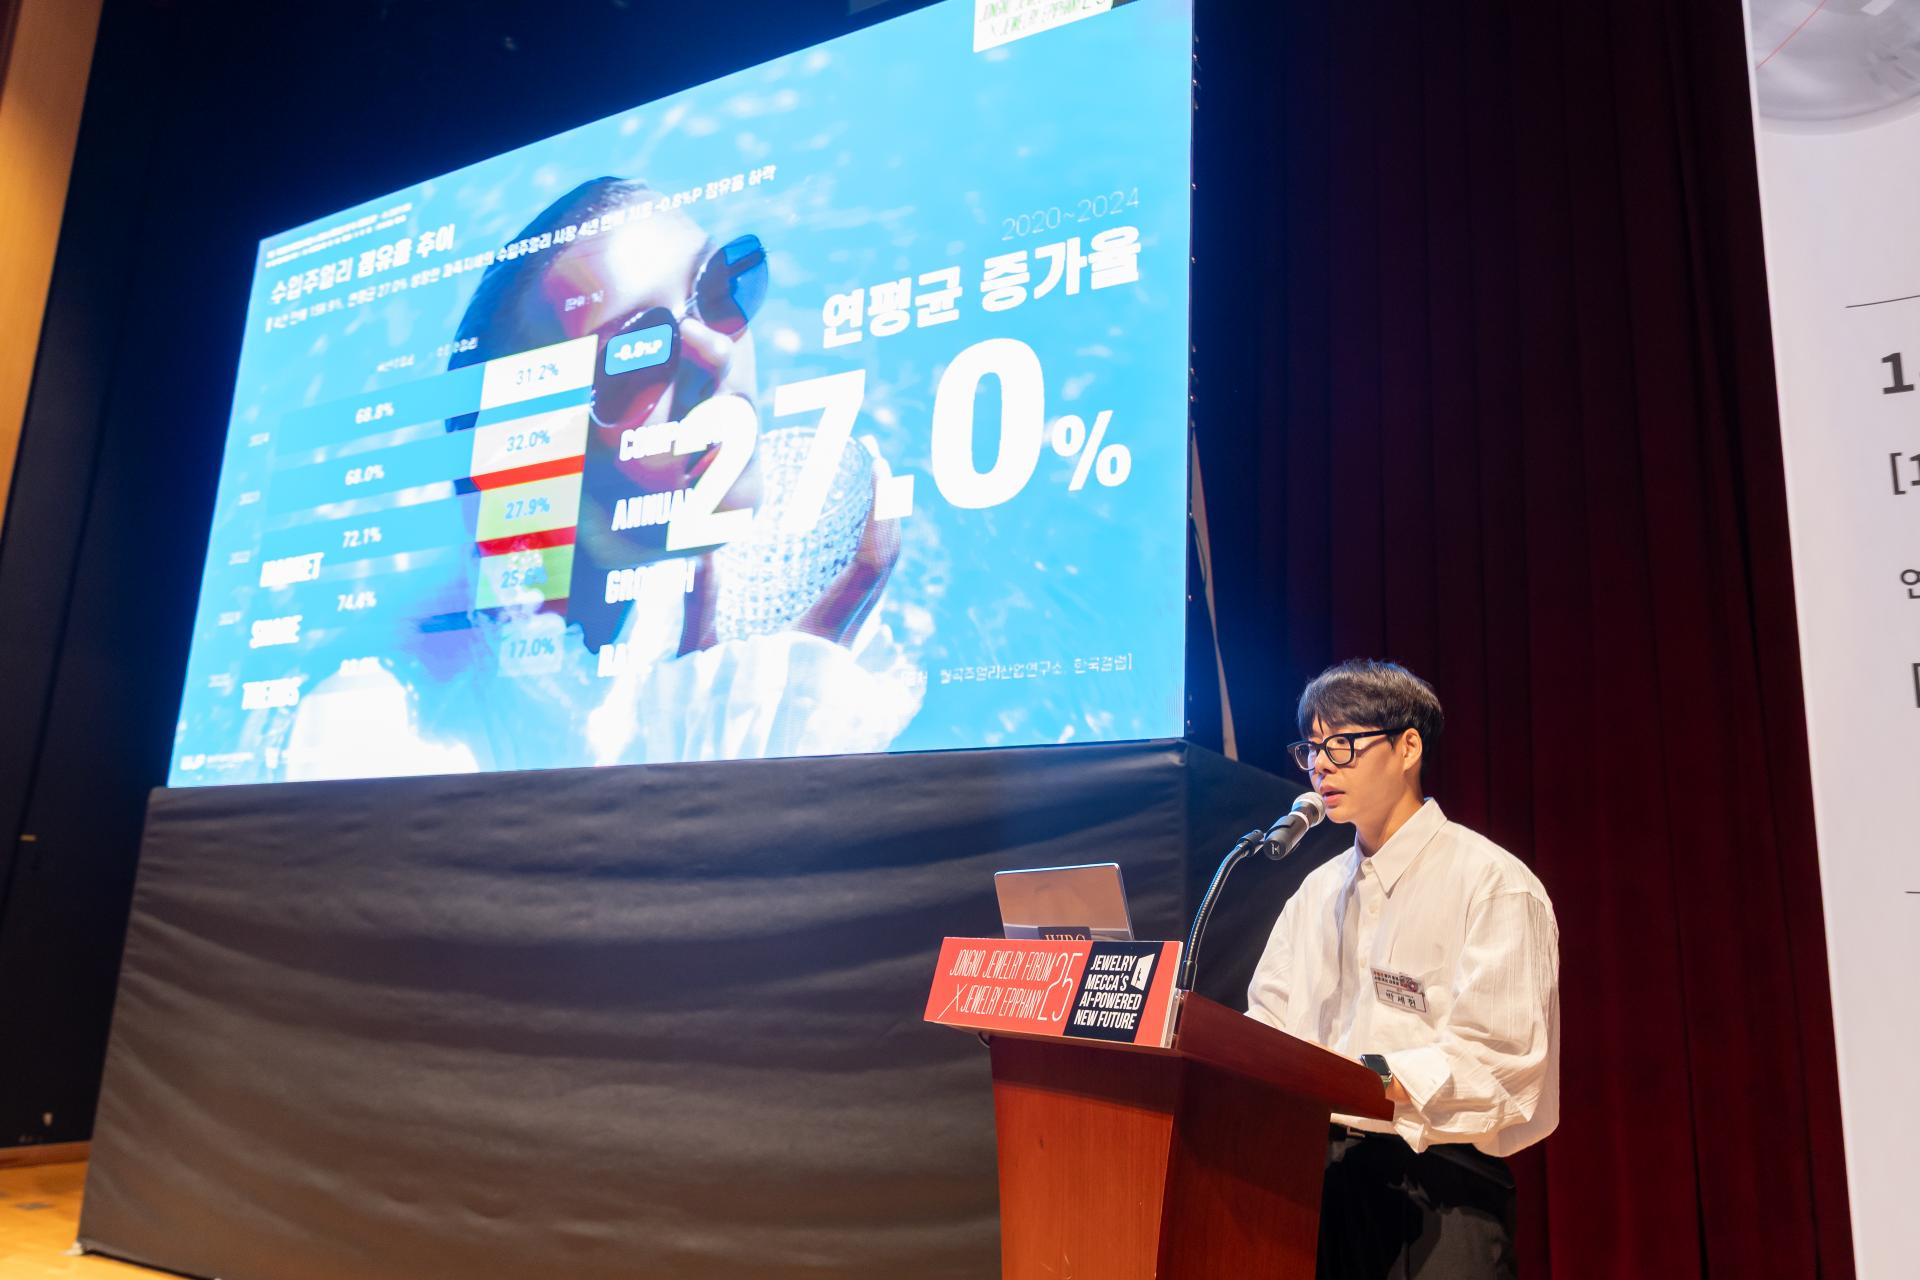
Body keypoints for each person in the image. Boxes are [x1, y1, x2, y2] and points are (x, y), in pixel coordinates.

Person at [1246, 659, 1559, 1279]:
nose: (1320, 766)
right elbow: (1268, 1021)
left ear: (1408, 747)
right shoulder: (1315, 892)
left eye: (1341, 744)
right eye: (1310, 748)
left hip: (1439, 1188)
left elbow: (1502, 1057)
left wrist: (1367, 1078)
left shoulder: (1491, 882)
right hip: (1319, 1180)